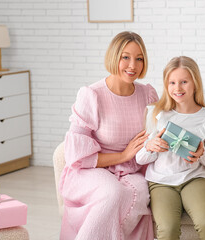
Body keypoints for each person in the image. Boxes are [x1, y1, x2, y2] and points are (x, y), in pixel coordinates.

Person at [59, 31, 158, 240]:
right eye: (126, 57)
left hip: (131, 171)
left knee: (140, 192)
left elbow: (162, 128)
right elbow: (77, 157)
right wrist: (123, 155)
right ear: (114, 57)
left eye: (139, 59)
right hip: (90, 170)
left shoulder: (147, 94)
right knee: (112, 192)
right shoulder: (92, 95)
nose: (133, 65)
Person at [136, 56, 205, 240]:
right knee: (168, 229)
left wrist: (202, 153)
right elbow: (140, 158)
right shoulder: (157, 114)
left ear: (195, 84)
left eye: (184, 81)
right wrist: (150, 147)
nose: (178, 88)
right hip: (161, 182)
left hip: (194, 178)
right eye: (172, 82)